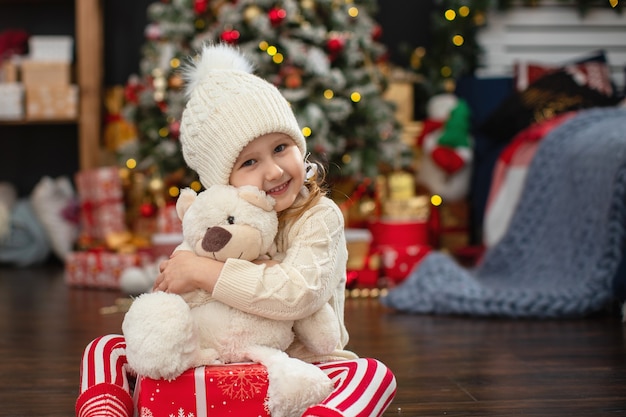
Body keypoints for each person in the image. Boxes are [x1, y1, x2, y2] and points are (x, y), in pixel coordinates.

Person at [76, 43, 396, 417]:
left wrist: (202, 271)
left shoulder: (318, 216)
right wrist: (170, 302)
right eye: (250, 161)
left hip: (297, 369)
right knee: (107, 348)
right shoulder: (216, 218)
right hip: (215, 364)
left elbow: (300, 293)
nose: (274, 170)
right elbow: (177, 292)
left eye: (281, 147)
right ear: (222, 182)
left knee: (372, 374)